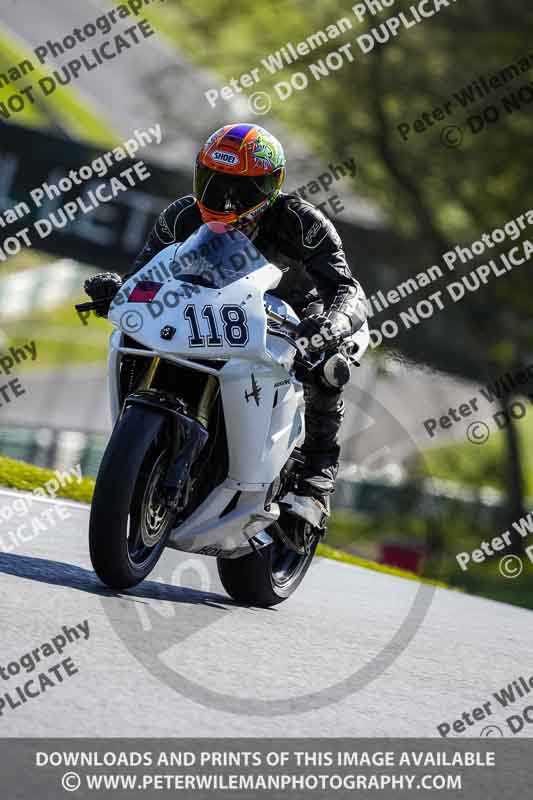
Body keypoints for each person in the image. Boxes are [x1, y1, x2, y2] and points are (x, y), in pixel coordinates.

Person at [85, 123, 367, 527]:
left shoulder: (303, 223)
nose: (224, 198)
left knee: (328, 365)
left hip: (292, 315)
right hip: (208, 309)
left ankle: (315, 478)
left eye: (241, 188)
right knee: (133, 334)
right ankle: (142, 444)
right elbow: (144, 276)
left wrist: (330, 325)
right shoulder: (181, 215)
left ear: (271, 186)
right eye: (213, 182)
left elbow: (345, 287)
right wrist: (116, 291)